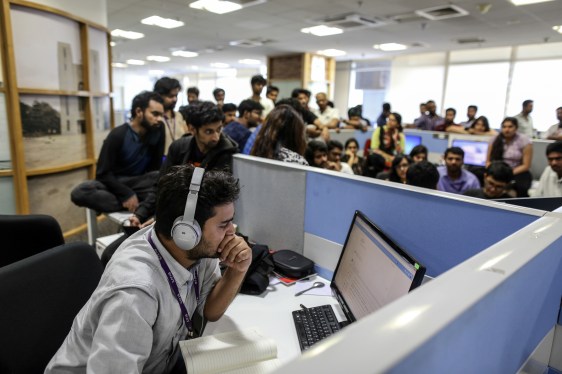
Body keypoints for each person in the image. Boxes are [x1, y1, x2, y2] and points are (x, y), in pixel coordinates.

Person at [47, 165, 251, 373]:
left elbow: (210, 311)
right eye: (223, 224)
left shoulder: (198, 250)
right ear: (186, 232)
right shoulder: (135, 293)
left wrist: (237, 270)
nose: (231, 233)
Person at [70, 91, 165, 219]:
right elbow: (102, 174)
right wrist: (126, 194)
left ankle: (140, 203)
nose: (159, 119)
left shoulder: (158, 130)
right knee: (80, 192)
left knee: (160, 179)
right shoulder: (118, 135)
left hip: (140, 182)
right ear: (138, 112)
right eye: (155, 114)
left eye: (161, 115)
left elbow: (155, 168)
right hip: (114, 183)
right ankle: (141, 204)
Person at [486, 117, 533, 197]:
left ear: (516, 128)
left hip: (516, 171)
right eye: (504, 127)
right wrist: (492, 171)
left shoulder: (524, 140)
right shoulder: (494, 139)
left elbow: (526, 165)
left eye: (510, 127)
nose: (507, 129)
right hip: (496, 169)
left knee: (522, 186)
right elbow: (488, 161)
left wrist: (508, 174)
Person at [154, 77, 187, 153]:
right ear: (159, 96)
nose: (175, 99)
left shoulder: (178, 116)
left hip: (179, 160)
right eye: (170, 96)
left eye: (176, 95)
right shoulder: (155, 118)